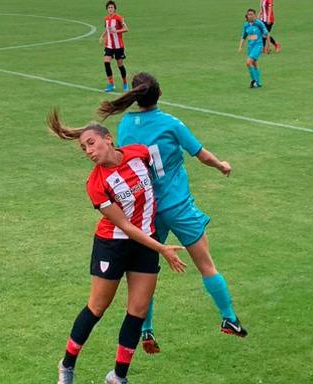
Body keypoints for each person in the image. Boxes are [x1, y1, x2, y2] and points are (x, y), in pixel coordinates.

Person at [97, 72, 247, 354]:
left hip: (147, 211)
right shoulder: (171, 123)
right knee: (206, 266)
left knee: (146, 272)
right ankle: (229, 318)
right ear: (159, 94)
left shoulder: (125, 125)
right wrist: (221, 165)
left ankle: (146, 329)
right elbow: (201, 155)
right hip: (178, 206)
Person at [48, 110, 186, 384]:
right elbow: (124, 225)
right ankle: (66, 365)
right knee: (97, 307)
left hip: (145, 243)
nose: (88, 151)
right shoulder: (96, 183)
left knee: (138, 310)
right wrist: (162, 248)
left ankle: (117, 377)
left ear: (108, 139)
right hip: (113, 245)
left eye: (90, 143)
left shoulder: (139, 153)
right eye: (83, 147)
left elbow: (162, 174)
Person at [99, 1, 129, 93]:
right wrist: (102, 36)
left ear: (114, 9)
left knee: (120, 64)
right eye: (109, 8)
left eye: (112, 7)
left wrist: (116, 31)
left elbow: (126, 29)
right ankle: (111, 84)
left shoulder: (119, 18)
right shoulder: (106, 19)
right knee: (106, 62)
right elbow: (107, 29)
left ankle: (125, 83)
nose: (110, 9)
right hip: (109, 45)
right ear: (107, 9)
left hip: (118, 46)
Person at [237, 8, 269, 88]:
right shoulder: (246, 25)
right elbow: (244, 36)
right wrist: (240, 46)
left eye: (251, 14)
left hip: (258, 45)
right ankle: (258, 82)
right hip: (250, 46)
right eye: (249, 14)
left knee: (248, 62)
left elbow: (266, 33)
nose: (250, 16)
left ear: (255, 15)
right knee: (254, 64)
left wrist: (267, 46)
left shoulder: (259, 23)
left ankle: (254, 80)